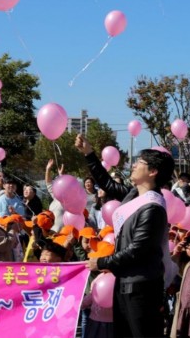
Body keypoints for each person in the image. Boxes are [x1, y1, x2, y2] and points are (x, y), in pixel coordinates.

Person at [79, 134, 176, 338]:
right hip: (123, 282)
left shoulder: (153, 207)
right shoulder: (134, 195)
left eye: (139, 163)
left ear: (153, 171)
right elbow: (107, 183)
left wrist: (102, 262)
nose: (133, 165)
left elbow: (137, 251)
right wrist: (89, 154)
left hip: (142, 288)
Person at [45, 159, 65, 232]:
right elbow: (49, 184)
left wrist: (61, 176)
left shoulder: (67, 199)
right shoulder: (56, 197)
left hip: (63, 234)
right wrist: (48, 169)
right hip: (53, 232)